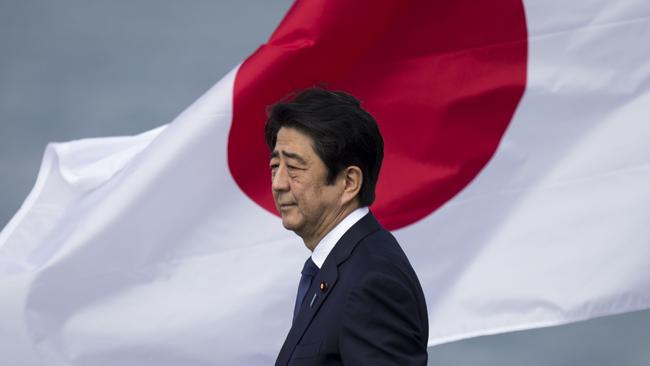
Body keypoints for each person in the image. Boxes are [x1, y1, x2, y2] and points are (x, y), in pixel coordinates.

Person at [266, 87, 429, 365]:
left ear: (349, 182)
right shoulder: (340, 268)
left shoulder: (373, 281)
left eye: (294, 168)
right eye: (274, 166)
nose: (278, 183)